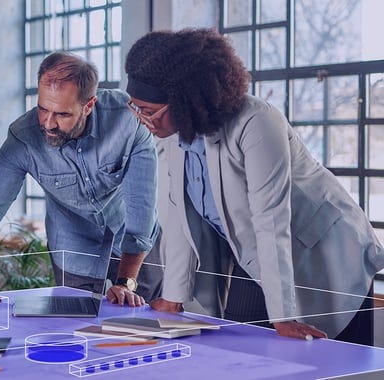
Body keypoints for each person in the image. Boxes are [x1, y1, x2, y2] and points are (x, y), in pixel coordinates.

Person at [124, 28, 384, 344]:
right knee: (246, 353)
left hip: (328, 254)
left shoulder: (257, 122)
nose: (142, 120)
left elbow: (270, 221)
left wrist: (283, 316)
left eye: (149, 112)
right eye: (136, 109)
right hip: (257, 256)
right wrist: (174, 297)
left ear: (185, 100)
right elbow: (179, 219)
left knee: (335, 362)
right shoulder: (177, 136)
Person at [0, 51, 159, 306]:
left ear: (89, 105)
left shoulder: (127, 121)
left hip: (136, 246)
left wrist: (125, 283)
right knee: (79, 332)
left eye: (62, 114)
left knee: (145, 322)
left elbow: (141, 209)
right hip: (74, 248)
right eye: (43, 109)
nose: (48, 123)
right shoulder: (23, 138)